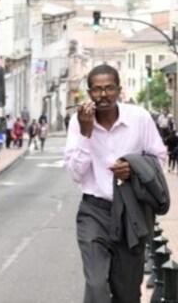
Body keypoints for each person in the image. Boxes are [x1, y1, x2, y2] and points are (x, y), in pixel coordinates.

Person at [63, 64, 166, 302]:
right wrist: (86, 133)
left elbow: (158, 158)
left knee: (127, 293)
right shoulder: (77, 123)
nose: (103, 95)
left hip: (132, 213)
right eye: (97, 90)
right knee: (96, 285)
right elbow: (76, 174)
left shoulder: (139, 118)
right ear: (89, 93)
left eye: (109, 88)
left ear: (119, 90)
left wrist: (134, 170)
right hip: (94, 212)